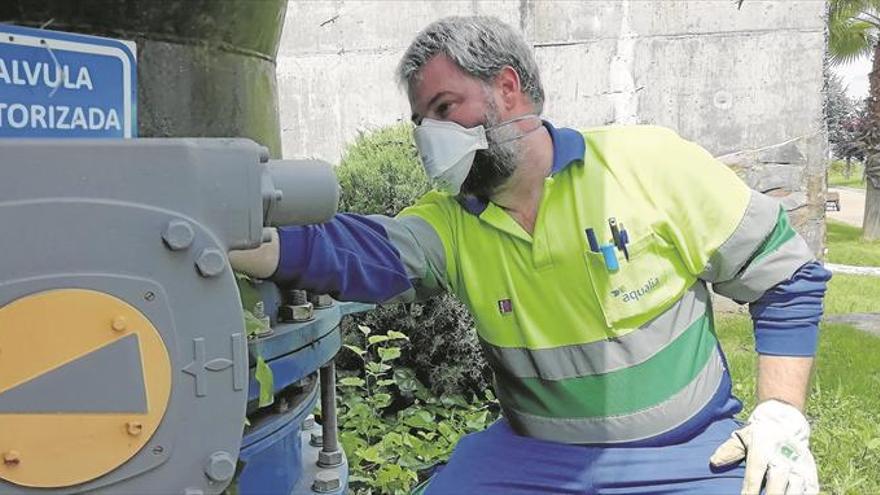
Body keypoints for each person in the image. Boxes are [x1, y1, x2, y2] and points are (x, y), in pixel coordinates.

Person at [230, 16, 830, 495]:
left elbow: (785, 275)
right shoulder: (451, 224)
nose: (427, 134)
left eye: (444, 108)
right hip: (534, 458)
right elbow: (358, 252)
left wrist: (780, 413)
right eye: (420, 120)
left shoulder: (649, 164)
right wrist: (248, 242)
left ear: (508, 88)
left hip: (688, 451)